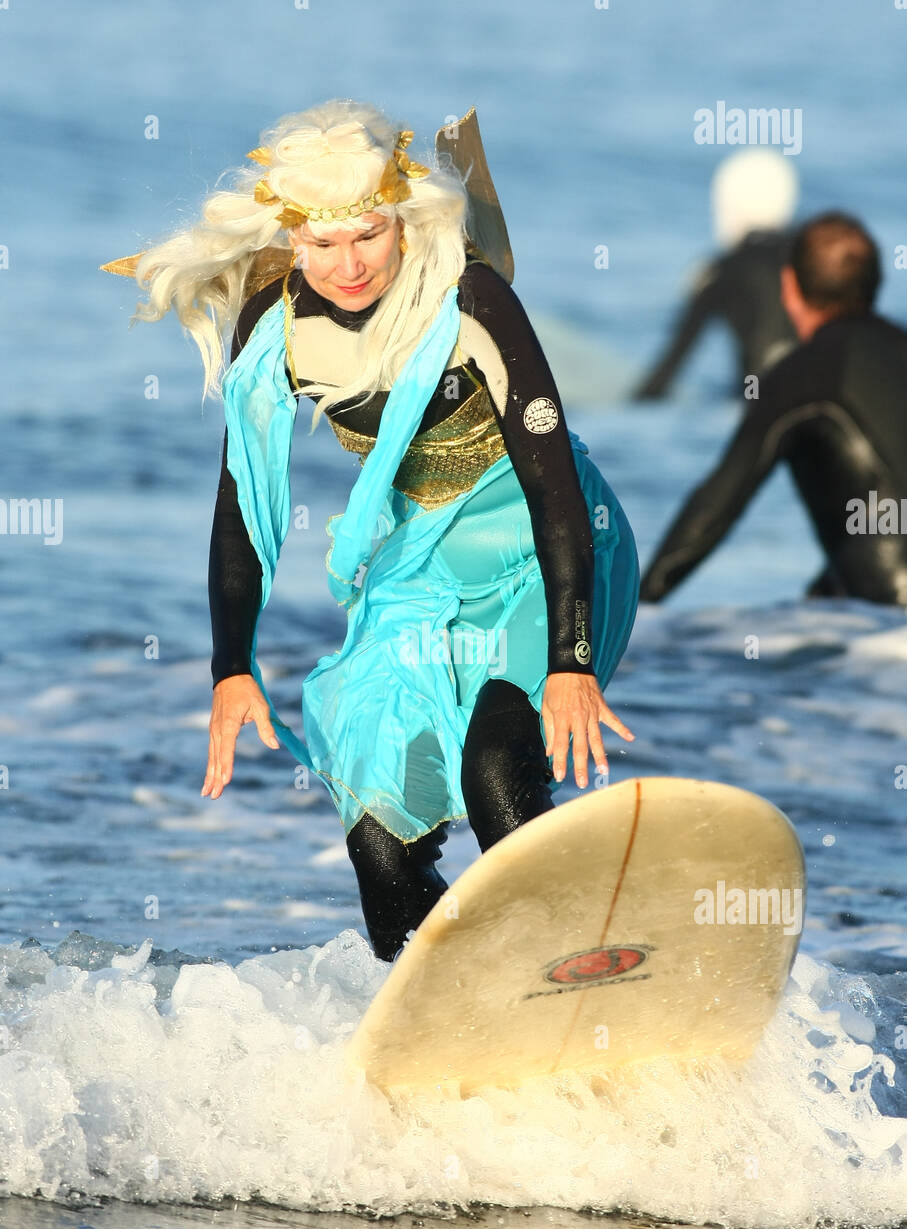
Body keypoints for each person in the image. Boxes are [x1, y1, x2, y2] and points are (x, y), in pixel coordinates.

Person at [111, 100, 640, 962]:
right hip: (419, 563)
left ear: (403, 220)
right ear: (291, 238)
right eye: (322, 244)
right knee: (376, 829)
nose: (347, 265)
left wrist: (569, 663)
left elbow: (553, 491)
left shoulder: (470, 299)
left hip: (543, 550)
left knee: (497, 771)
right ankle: (449, 996)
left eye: (368, 235)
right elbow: (242, 504)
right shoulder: (275, 328)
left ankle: (584, 960)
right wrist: (231, 665)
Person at [640, 212, 907, 606]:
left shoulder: (800, 376)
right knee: (821, 597)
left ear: (790, 287)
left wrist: (639, 612)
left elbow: (717, 504)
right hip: (877, 641)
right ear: (875, 283)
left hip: (891, 630)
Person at [632, 149, 799, 400]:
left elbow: (670, 369)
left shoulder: (723, 270)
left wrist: (634, 402)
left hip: (753, 404)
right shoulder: (815, 259)